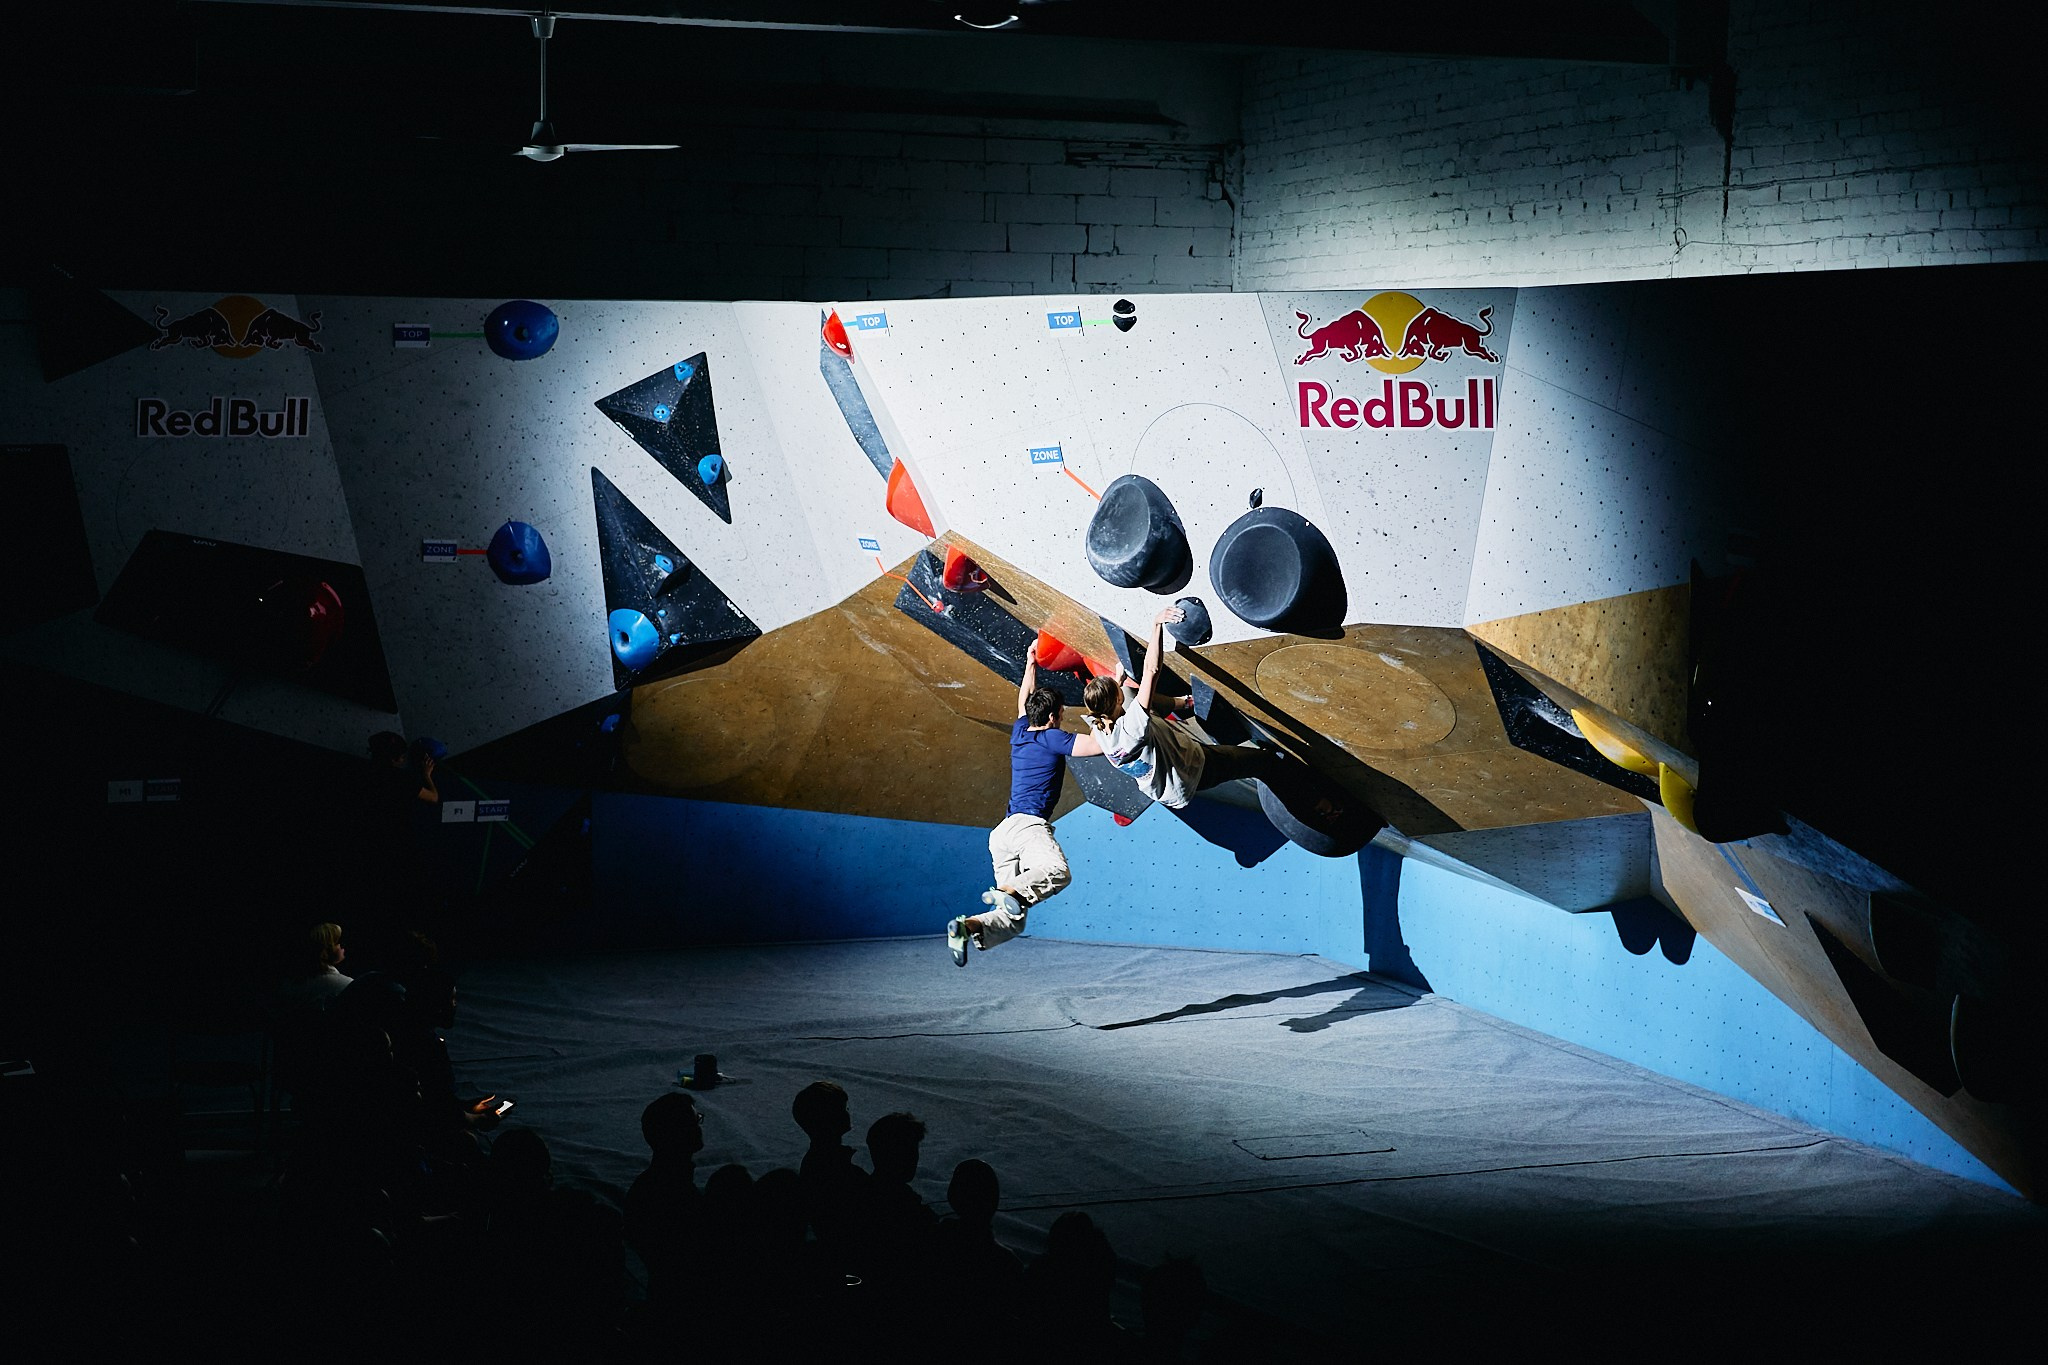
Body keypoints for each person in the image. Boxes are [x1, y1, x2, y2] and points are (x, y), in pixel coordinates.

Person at [1082, 606, 1346, 821]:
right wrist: (1156, 625)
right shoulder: (1132, 728)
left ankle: (1185, 704)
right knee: (1267, 765)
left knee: (1136, 698)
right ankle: (1317, 809)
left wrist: (1118, 681)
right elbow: (1152, 671)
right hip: (1192, 774)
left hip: (1170, 775)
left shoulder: (1099, 727)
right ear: (1114, 701)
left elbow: (1117, 699)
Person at [947, 640, 1105, 966]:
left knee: (1012, 920)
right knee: (1057, 872)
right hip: (1027, 828)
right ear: (1053, 716)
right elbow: (1096, 747)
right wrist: (1104, 713)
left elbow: (1024, 701)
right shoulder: (1051, 737)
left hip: (1002, 834)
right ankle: (1010, 892)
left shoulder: (1021, 730)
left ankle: (967, 926)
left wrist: (1030, 663)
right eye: (1062, 714)